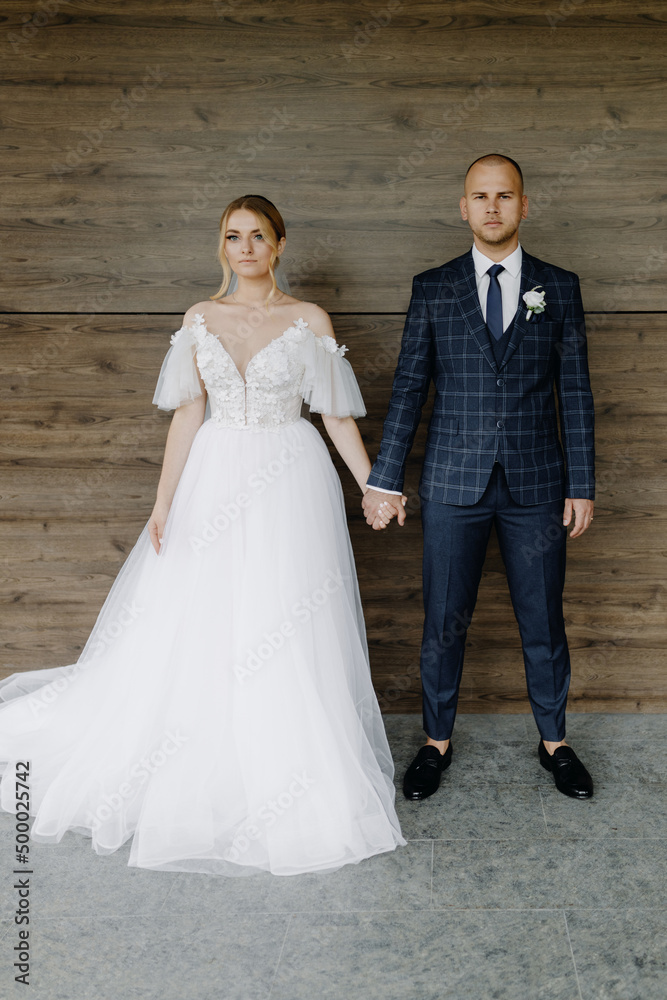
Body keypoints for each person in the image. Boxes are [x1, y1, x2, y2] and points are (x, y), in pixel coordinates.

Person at [0, 194, 406, 876]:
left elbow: (335, 416)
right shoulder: (199, 318)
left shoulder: (307, 320)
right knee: (203, 611)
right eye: (232, 237)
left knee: (281, 610)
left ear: (278, 245)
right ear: (222, 247)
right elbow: (187, 415)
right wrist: (162, 504)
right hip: (213, 474)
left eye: (256, 237)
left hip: (288, 472)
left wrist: (373, 484)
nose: (244, 248)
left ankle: (283, 758)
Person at [363, 155, 595, 802]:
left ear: (524, 205)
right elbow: (409, 386)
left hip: (537, 484)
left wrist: (582, 484)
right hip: (450, 483)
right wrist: (384, 479)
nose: (491, 207)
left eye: (504, 196)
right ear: (462, 208)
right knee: (442, 621)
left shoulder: (558, 286)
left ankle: (554, 742)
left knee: (542, 620)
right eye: (479, 196)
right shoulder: (433, 287)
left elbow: (573, 392)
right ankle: (436, 742)